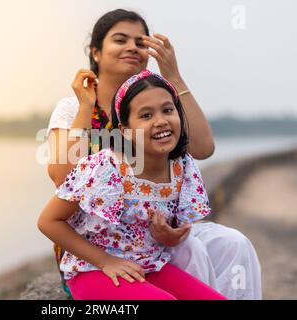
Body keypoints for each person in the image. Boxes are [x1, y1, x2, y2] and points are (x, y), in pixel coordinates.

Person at [46, 9, 261, 299]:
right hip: (95, 249)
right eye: (120, 40)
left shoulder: (158, 102)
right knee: (193, 250)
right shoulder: (73, 109)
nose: (132, 47)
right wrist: (86, 106)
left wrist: (172, 75)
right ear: (96, 53)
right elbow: (63, 177)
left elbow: (202, 148)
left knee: (234, 243)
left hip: (151, 238)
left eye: (140, 42)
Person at [38, 69, 227, 300]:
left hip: (149, 266)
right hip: (93, 270)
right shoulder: (108, 167)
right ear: (125, 131)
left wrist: (171, 236)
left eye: (168, 110)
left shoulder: (181, 167)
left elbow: (172, 225)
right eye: (146, 116)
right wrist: (105, 261)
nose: (161, 121)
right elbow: (48, 221)